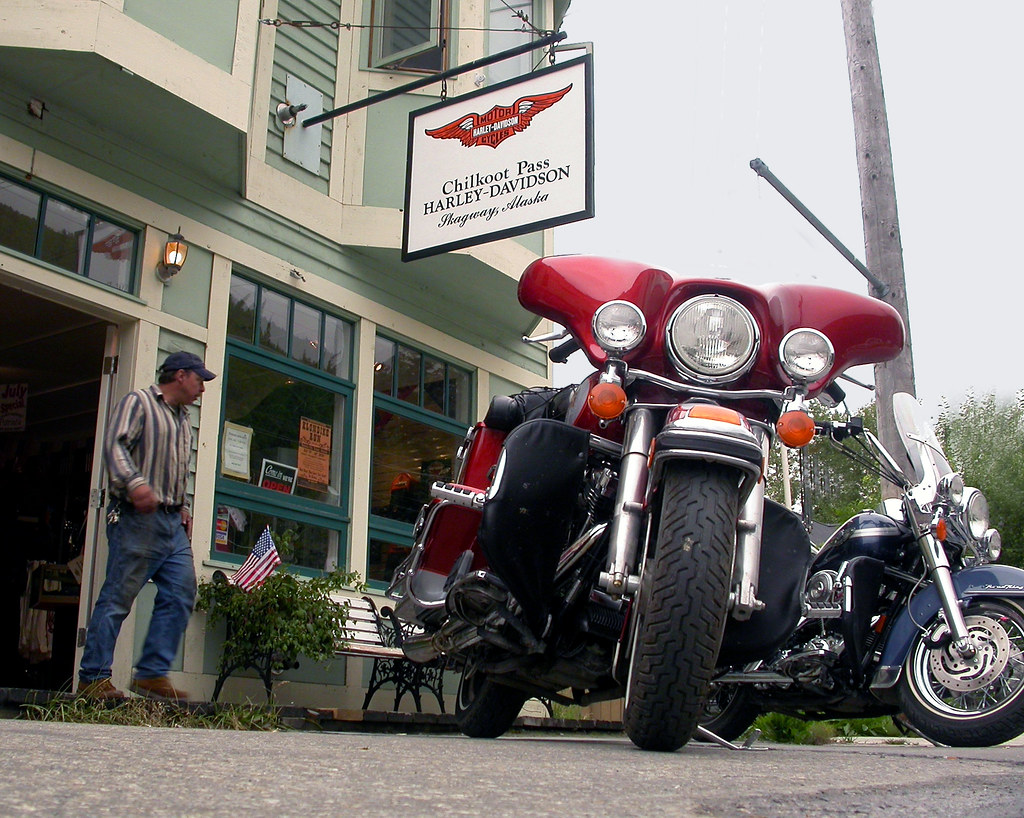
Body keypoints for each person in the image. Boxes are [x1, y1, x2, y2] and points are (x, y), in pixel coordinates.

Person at [77, 351, 216, 701]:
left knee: (182, 591)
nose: (202, 388)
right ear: (180, 375)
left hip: (171, 523)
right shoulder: (138, 402)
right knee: (118, 598)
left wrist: (183, 506)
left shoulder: (184, 420)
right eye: (200, 380)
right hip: (136, 518)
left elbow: (177, 469)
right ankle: (92, 678)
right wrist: (136, 483)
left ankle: (152, 673)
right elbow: (114, 446)